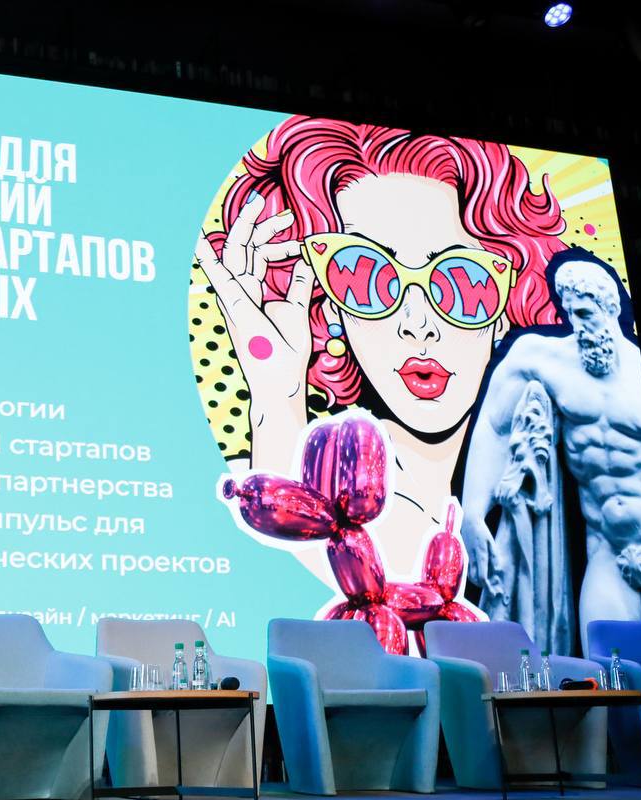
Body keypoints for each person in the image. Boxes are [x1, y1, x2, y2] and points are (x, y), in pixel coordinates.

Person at [195, 116, 568, 592]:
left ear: (506, 306)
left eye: (463, 282)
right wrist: (276, 395)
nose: (418, 323)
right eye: (362, 276)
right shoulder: (329, 488)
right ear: (331, 306)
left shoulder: (547, 494)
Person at [462, 251, 641, 652]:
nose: (579, 325)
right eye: (571, 314)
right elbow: (494, 424)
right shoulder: (544, 360)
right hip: (608, 549)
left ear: (611, 309)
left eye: (586, 314)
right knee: (609, 667)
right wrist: (474, 513)